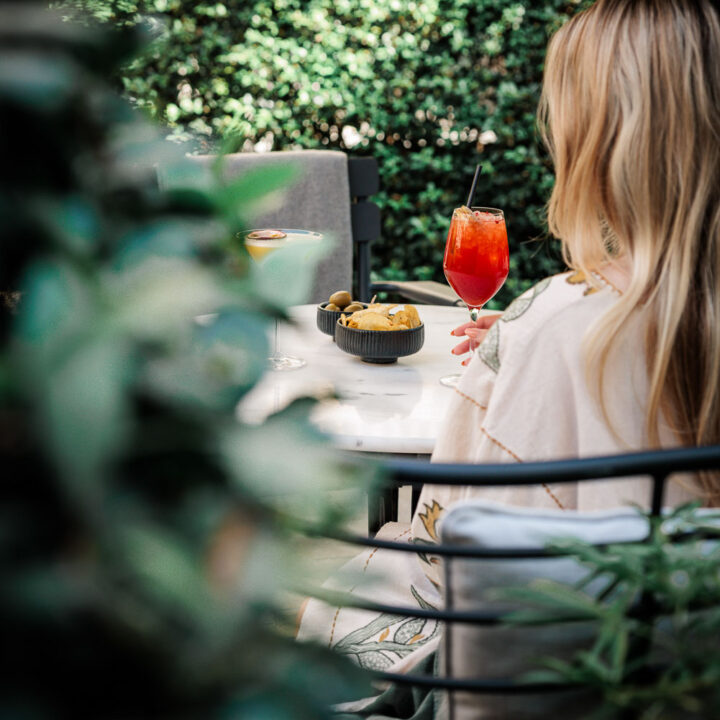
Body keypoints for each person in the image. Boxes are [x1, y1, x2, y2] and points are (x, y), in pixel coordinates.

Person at [298, 0, 720, 702]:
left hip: (540, 688)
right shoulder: (555, 325)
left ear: (598, 141)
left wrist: (525, 353)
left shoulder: (555, 323)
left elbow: (450, 555)